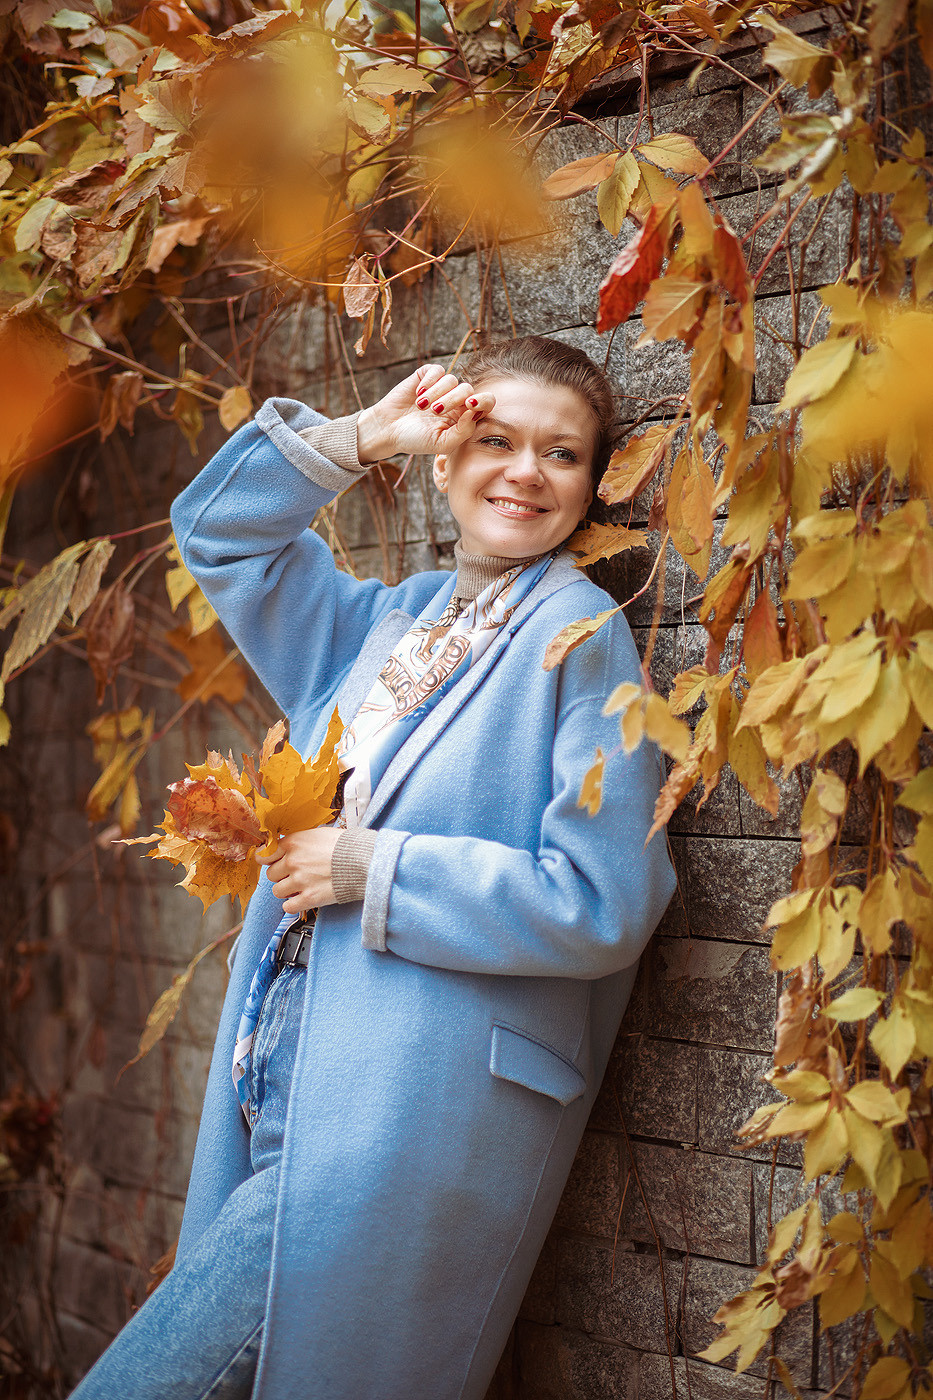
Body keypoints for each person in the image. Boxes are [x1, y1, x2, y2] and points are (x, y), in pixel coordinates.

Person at [70, 335, 676, 1400]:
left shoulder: (577, 635)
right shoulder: (386, 624)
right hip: (280, 1060)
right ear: (443, 460)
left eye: (562, 453)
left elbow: (604, 899)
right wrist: (361, 437)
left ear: (591, 485)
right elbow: (218, 535)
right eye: (493, 439)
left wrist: (374, 868)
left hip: (403, 1099)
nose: (526, 471)